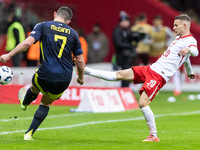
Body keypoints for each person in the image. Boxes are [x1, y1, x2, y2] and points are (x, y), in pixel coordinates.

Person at [83, 14, 198, 142]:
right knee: (120, 74)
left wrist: (188, 49)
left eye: (176, 25)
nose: (174, 27)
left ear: (185, 25)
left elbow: (194, 52)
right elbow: (186, 59)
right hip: (151, 69)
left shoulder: (190, 41)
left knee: (143, 103)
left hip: (159, 75)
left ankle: (154, 135)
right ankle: (86, 71)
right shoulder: (177, 39)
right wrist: (189, 71)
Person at [0, 6, 85, 140]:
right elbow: (80, 60)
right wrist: (81, 78)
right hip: (64, 77)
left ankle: (25, 103)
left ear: (55, 14)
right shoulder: (73, 34)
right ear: (68, 21)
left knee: (35, 87)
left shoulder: (43, 26)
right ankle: (29, 134)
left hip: (46, 72)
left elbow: (28, 43)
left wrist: (8, 55)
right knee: (46, 103)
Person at [112, 11, 137, 87]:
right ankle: (125, 89)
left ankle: (127, 88)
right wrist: (130, 46)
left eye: (126, 21)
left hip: (129, 56)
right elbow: (118, 43)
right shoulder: (117, 31)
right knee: (124, 74)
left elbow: (134, 40)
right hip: (121, 56)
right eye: (123, 21)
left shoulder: (129, 31)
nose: (125, 23)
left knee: (128, 73)